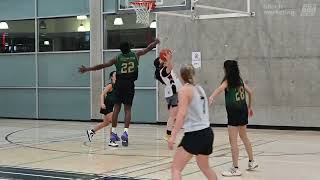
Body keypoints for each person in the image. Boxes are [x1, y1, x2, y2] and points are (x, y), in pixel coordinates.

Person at [79, 39, 160, 147]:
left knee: (116, 108)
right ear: (129, 48)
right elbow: (148, 48)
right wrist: (155, 43)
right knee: (127, 109)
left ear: (121, 50)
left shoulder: (117, 58)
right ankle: (125, 133)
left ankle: (113, 133)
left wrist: (88, 69)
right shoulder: (136, 55)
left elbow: (103, 65)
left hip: (119, 84)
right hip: (130, 84)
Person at [209, 60, 258, 176]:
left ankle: (235, 168)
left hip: (234, 113)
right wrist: (250, 107)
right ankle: (252, 161)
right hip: (243, 111)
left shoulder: (228, 82)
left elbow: (218, 89)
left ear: (227, 70)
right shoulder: (240, 81)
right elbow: (250, 92)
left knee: (233, 141)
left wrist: (211, 97)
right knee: (244, 136)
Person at [168, 64, 217, 180]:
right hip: (207, 132)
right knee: (205, 168)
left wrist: (172, 135)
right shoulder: (199, 89)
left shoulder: (184, 90)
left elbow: (182, 114)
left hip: (195, 134)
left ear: (181, 76)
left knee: (176, 168)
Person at [153, 52, 182, 141]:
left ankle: (170, 133)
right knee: (173, 116)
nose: (163, 58)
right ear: (159, 63)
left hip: (174, 93)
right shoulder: (163, 71)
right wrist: (168, 59)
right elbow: (170, 67)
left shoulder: (165, 69)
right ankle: (168, 135)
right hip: (173, 94)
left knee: (176, 116)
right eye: (161, 58)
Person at [86, 71, 117, 144]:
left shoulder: (117, 86)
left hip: (111, 106)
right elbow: (102, 94)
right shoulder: (110, 85)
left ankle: (91, 132)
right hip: (106, 106)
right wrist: (102, 103)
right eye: (115, 75)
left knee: (105, 123)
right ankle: (112, 140)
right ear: (112, 77)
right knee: (114, 122)